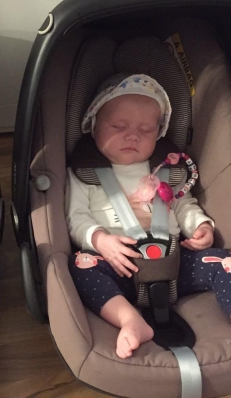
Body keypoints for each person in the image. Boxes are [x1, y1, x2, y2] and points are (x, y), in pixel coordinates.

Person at [66, 73, 231, 360]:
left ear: (159, 133)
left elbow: (183, 204)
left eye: (146, 130)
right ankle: (129, 319)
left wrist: (200, 225)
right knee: (80, 266)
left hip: (175, 261)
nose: (133, 135)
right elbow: (75, 217)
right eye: (119, 126)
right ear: (93, 126)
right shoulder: (85, 173)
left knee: (226, 262)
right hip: (119, 265)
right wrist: (100, 240)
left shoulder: (166, 169)